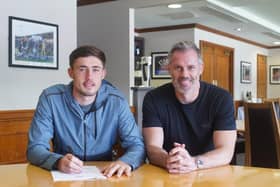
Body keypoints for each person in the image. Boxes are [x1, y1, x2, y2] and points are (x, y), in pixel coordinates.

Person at [27, 45, 145, 177]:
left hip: (105, 175)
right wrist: (58, 161)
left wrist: (126, 162)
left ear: (103, 74)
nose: (89, 77)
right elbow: (35, 148)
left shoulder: (117, 101)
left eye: (95, 70)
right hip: (63, 175)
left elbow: (137, 145)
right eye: (82, 69)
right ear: (70, 73)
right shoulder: (50, 98)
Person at [142, 41, 236, 174]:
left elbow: (226, 151)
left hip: (210, 172)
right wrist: (170, 160)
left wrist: (193, 162)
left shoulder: (221, 98)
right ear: (169, 69)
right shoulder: (153, 99)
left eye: (191, 67)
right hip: (170, 173)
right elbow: (152, 148)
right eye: (178, 68)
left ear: (201, 68)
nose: (184, 75)